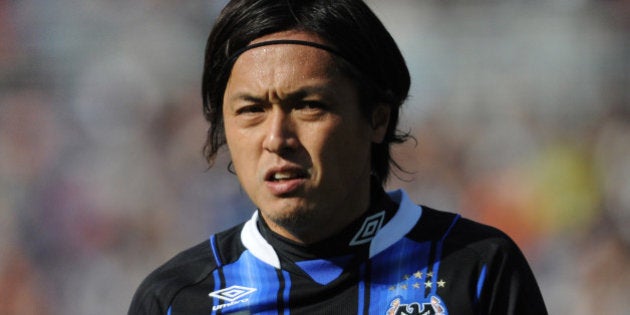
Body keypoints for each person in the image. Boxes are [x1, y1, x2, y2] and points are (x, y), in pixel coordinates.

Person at [129, 0, 547, 314]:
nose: (277, 138)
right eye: (251, 110)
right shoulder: (174, 299)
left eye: (308, 105)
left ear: (377, 119)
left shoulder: (478, 270)